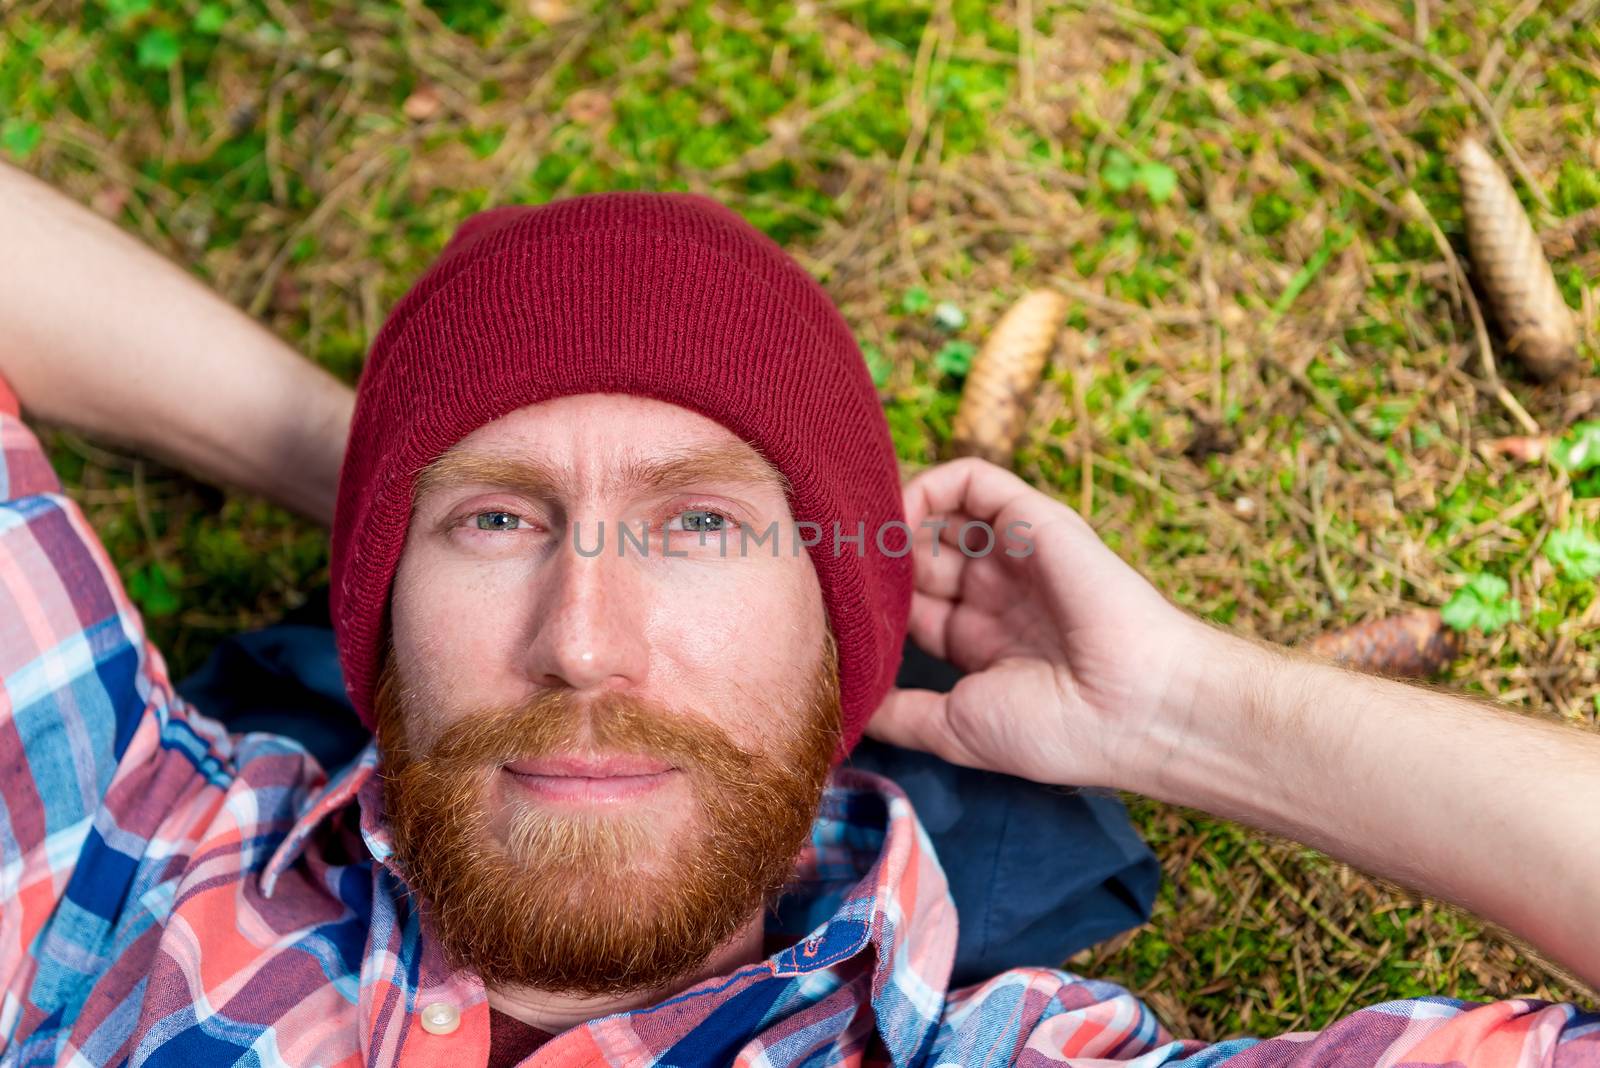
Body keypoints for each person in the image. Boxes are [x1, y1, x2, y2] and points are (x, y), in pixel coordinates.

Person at [0, 163, 1596, 1068]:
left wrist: (1187, 713)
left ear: (844, 638)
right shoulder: (108, 851)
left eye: (699, 524)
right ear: (385, 611)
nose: (583, 640)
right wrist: (362, 473)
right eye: (495, 523)